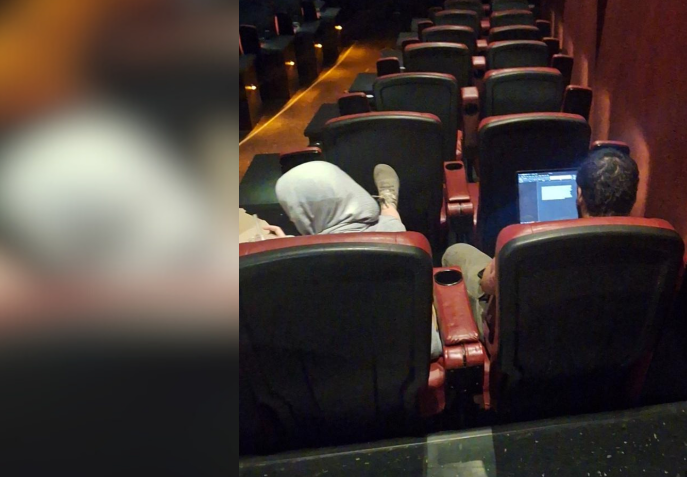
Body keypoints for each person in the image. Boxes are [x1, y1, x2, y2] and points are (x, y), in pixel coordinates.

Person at [441, 148, 641, 334]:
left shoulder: (529, 246)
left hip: (531, 344)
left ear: (578, 194)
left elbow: (488, 285)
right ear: (632, 199)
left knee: (456, 252)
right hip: (605, 347)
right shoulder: (650, 247)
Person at [273, 160, 442, 359]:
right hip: (413, 358)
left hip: (333, 374)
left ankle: (387, 204)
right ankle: (386, 203)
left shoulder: (293, 267)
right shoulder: (401, 243)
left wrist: (285, 247)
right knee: (391, 224)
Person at [275, 161, 405, 235]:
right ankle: (388, 203)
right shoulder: (394, 236)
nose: (292, 218)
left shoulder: (298, 255)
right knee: (391, 221)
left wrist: (283, 245)